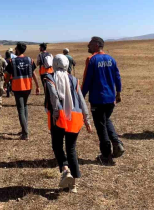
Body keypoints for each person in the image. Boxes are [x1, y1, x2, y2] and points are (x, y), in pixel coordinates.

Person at [43, 54, 93, 193]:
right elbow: (82, 100)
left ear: (54, 64)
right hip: (76, 117)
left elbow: (53, 98)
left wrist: (56, 114)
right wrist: (87, 119)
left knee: (57, 146)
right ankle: (73, 185)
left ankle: (65, 170)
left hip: (58, 118)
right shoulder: (74, 80)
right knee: (71, 149)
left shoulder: (49, 78)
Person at [82, 37, 124, 166]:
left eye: (89, 44)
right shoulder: (111, 59)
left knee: (100, 126)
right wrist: (118, 93)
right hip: (110, 98)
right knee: (106, 120)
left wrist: (81, 96)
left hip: (98, 98)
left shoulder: (92, 60)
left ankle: (106, 156)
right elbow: (117, 77)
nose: (88, 46)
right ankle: (116, 143)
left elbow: (87, 80)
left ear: (96, 45)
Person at [4, 42, 39, 140]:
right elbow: (34, 73)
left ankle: (25, 133)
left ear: (18, 50)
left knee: (20, 109)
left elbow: (7, 75)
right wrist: (37, 85)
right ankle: (24, 128)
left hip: (17, 87)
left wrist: (5, 84)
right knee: (25, 106)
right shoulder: (30, 60)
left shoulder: (12, 61)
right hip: (28, 87)